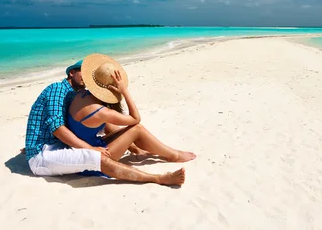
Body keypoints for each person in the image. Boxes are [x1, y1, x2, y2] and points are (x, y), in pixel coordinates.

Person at [24, 60, 186, 186]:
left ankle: (169, 155)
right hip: (41, 155)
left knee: (129, 132)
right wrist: (91, 149)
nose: (85, 79)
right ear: (72, 73)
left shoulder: (75, 94)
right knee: (99, 158)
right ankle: (158, 179)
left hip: (53, 145)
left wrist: (133, 147)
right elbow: (58, 129)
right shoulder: (58, 89)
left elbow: (103, 124)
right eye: (82, 73)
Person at [66, 53, 196, 163]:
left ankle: (145, 150)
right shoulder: (100, 111)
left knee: (120, 128)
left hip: (87, 148)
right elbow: (136, 119)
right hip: (94, 159)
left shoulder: (81, 95)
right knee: (136, 129)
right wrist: (124, 91)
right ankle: (174, 155)